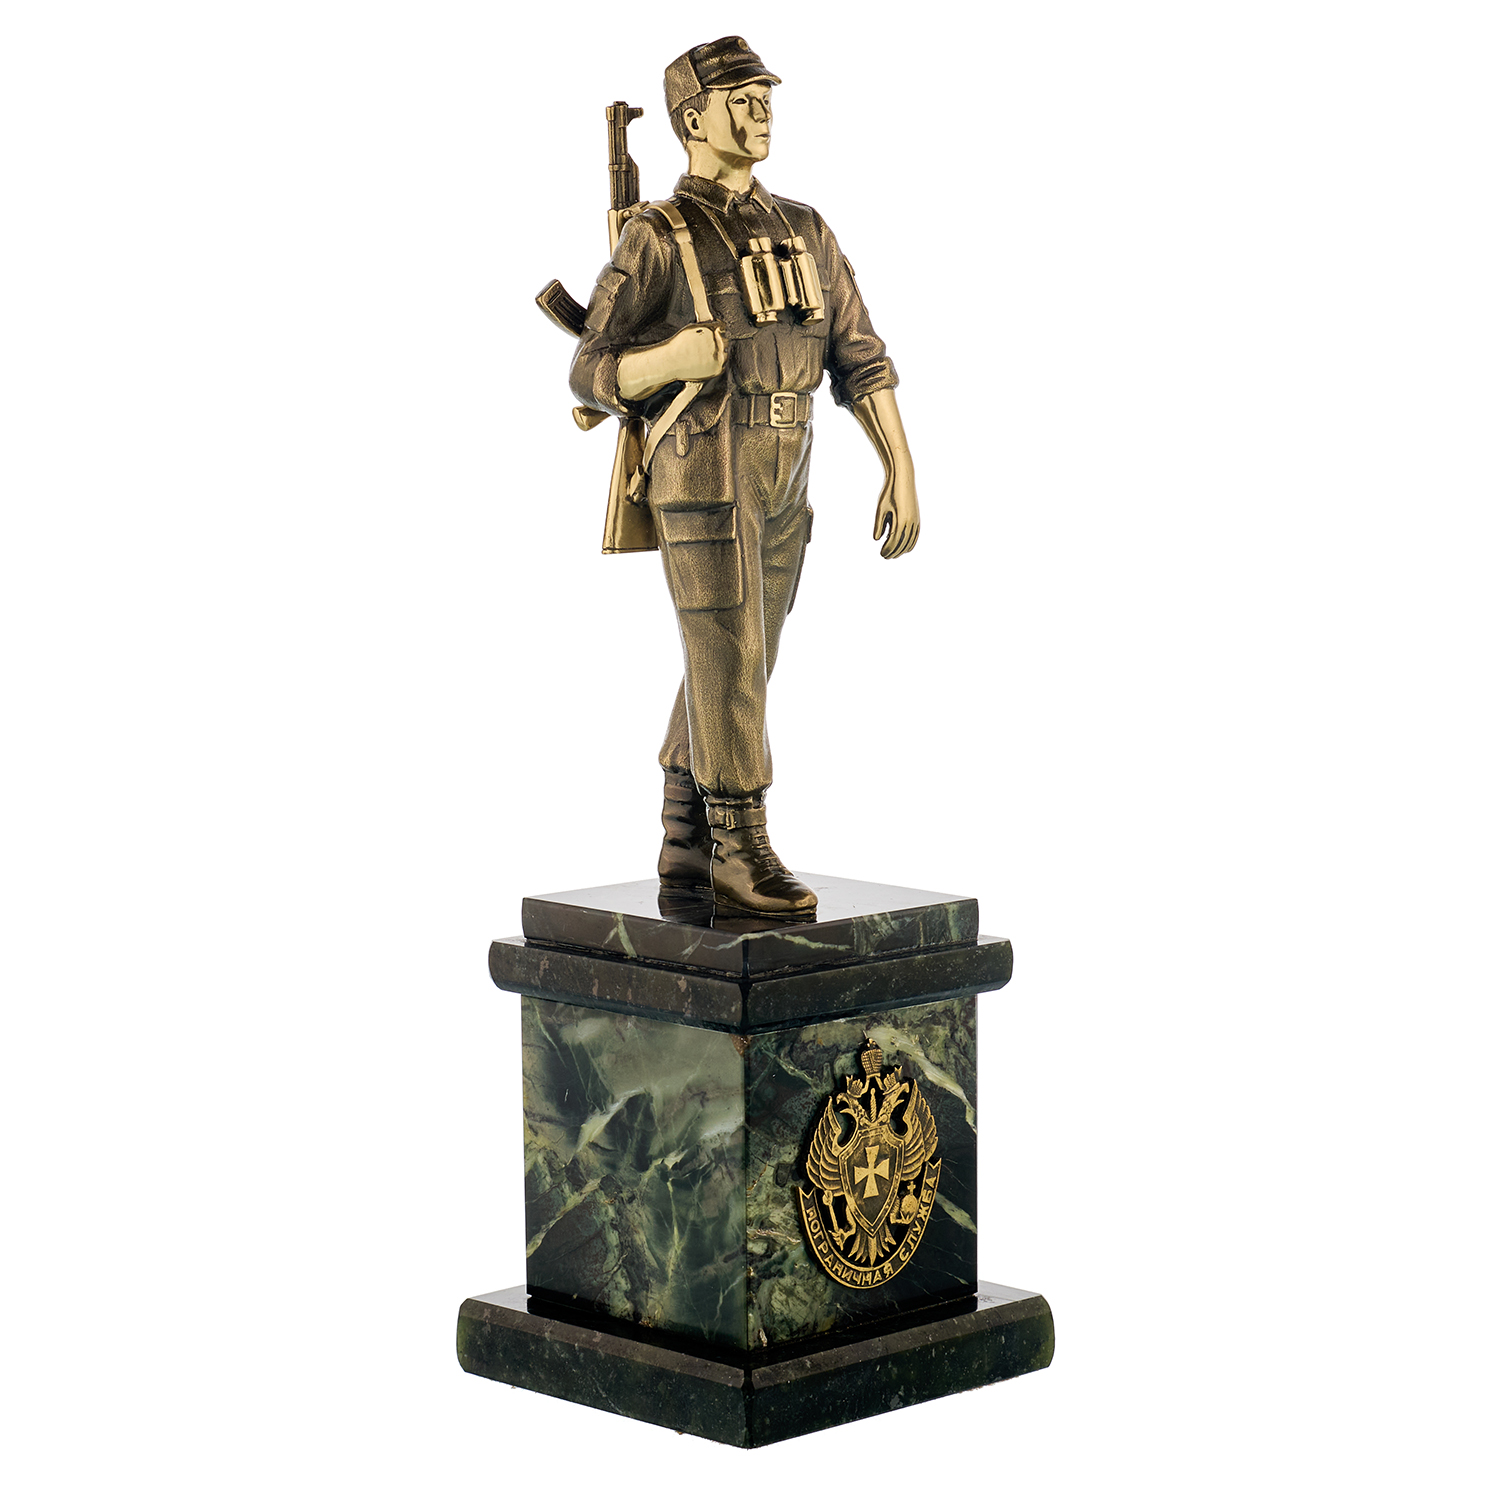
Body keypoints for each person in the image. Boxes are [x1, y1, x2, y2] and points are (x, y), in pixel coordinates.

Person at [570, 36, 921, 918]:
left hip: (788, 461)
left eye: (765, 94)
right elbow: (590, 369)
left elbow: (860, 356)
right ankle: (739, 843)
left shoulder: (806, 228)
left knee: (743, 650)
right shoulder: (657, 235)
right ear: (692, 120)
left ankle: (684, 836)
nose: (762, 109)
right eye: (741, 98)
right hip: (703, 461)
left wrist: (899, 464)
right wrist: (667, 361)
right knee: (729, 646)